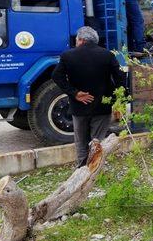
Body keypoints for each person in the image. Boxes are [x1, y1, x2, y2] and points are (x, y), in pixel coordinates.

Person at [52, 26, 126, 167]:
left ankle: (81, 169)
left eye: (76, 40)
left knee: (81, 142)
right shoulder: (107, 55)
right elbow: (120, 78)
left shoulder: (68, 56)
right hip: (102, 107)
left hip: (79, 107)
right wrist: (115, 99)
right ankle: (95, 169)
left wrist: (75, 93)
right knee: (97, 141)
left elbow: (56, 76)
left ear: (81, 40)